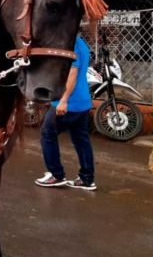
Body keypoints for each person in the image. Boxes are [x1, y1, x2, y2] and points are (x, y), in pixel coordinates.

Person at [35, 34, 97, 191]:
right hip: (83, 101)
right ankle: (87, 179)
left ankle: (56, 174)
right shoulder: (81, 43)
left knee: (47, 133)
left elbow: (72, 74)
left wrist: (63, 100)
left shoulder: (71, 44)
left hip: (69, 103)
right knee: (81, 140)